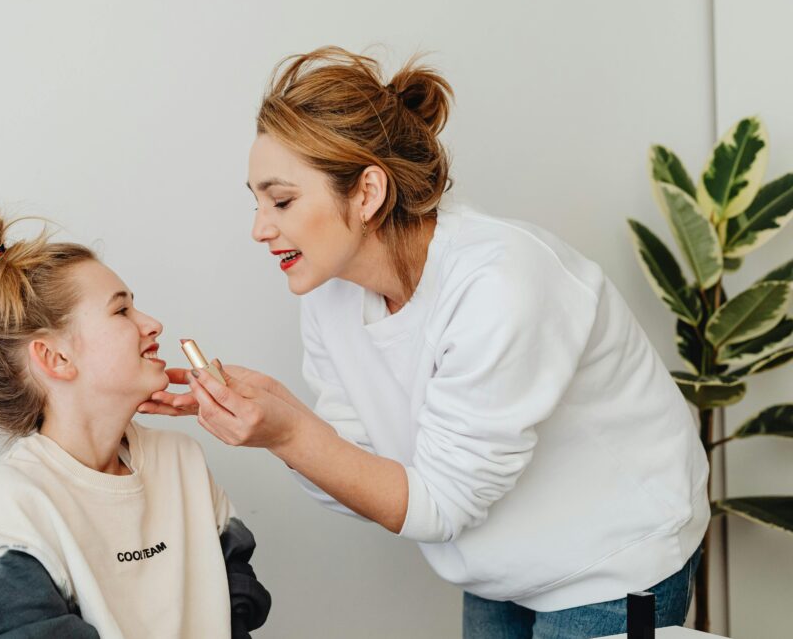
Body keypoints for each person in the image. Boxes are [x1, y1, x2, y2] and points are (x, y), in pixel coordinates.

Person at [139, 47, 708, 638]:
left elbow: (439, 505)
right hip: (499, 565)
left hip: (609, 562)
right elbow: (360, 472)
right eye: (256, 202)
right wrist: (277, 423)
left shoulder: (500, 284)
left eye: (280, 201)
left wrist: (287, 430)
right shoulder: (330, 294)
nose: (259, 227)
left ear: (367, 193)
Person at [0, 203, 271, 638]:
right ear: (55, 358)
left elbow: (235, 599)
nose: (152, 324)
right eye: (121, 311)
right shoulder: (14, 507)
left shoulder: (182, 461)